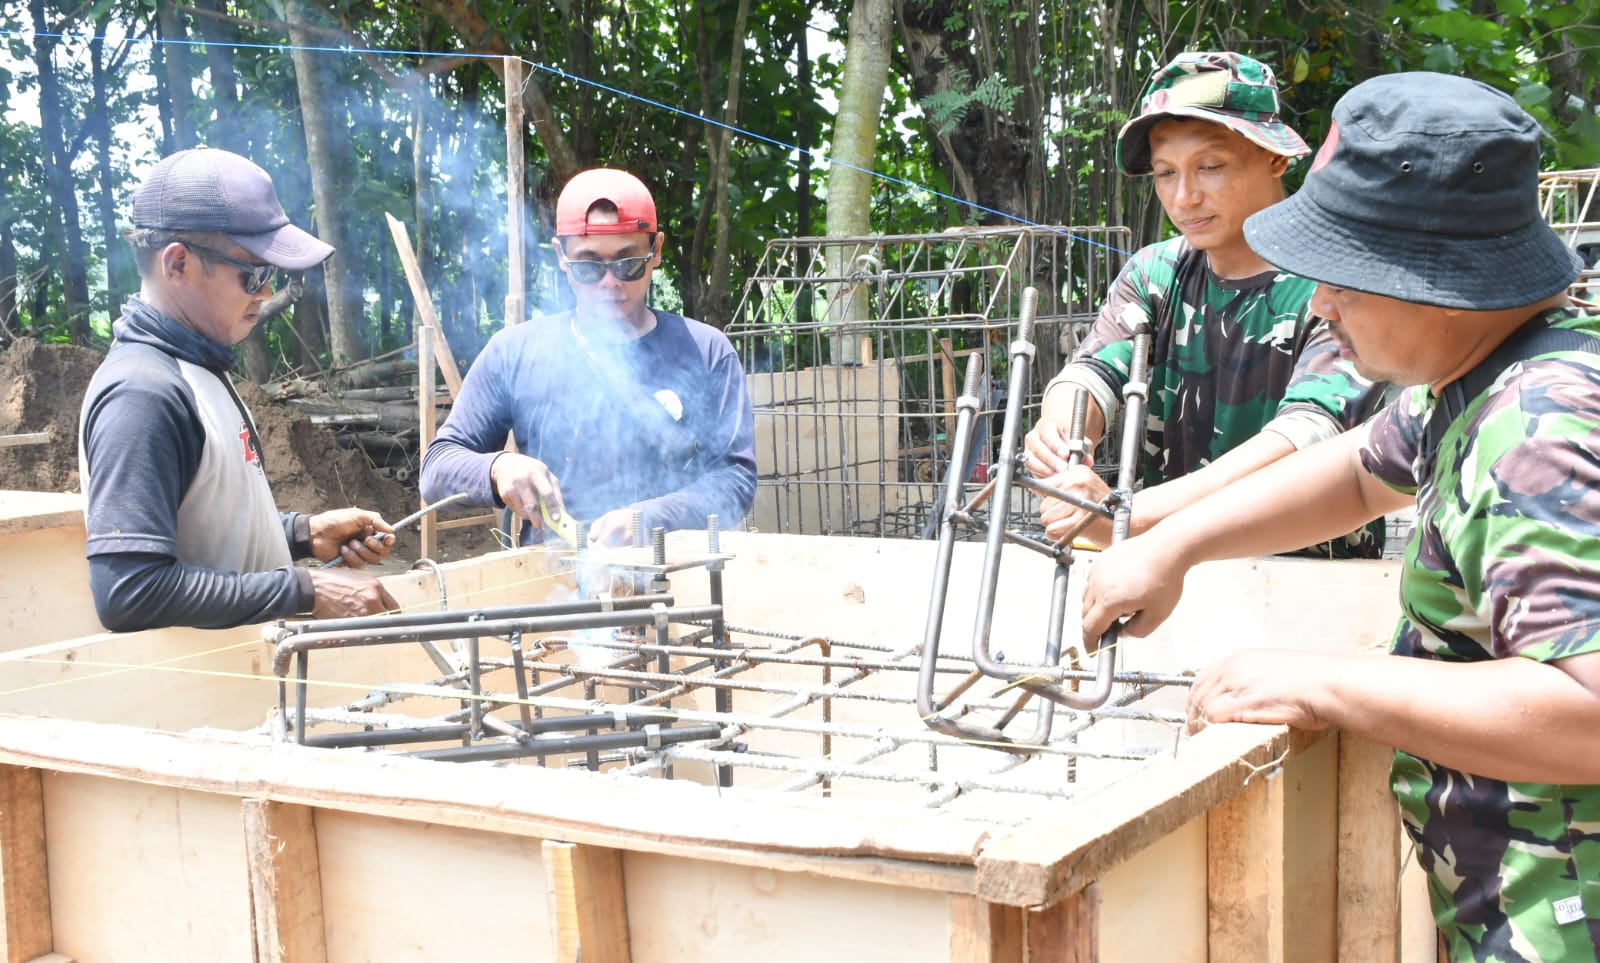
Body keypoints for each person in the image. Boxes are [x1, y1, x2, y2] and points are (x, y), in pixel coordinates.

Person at [1080, 73, 1600, 959]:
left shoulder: (1536, 431)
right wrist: (1176, 545)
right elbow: (1361, 470)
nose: (1320, 304)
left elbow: (1587, 713)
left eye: (1343, 282)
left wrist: (1322, 682)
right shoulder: (1484, 371)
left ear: (1435, 282)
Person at [1026, 52, 1386, 557]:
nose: (1184, 197)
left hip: (1309, 579)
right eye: (1164, 173)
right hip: (1167, 565)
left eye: (1210, 166)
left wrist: (1127, 515)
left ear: (1275, 157)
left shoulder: (1336, 283)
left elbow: (1307, 439)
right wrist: (1062, 439)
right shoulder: (1157, 272)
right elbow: (1092, 375)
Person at [79, 147, 399, 632]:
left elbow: (204, 525)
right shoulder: (143, 394)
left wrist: (303, 534)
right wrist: (306, 590)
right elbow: (129, 592)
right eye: (253, 274)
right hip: (197, 703)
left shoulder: (196, 367)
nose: (266, 293)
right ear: (178, 264)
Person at [420, 168, 756, 547]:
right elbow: (436, 470)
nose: (610, 282)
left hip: (676, 575)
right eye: (588, 266)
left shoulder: (706, 351)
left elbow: (735, 479)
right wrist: (499, 467)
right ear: (561, 256)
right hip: (553, 584)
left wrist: (651, 518)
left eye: (628, 263)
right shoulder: (514, 352)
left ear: (656, 250)